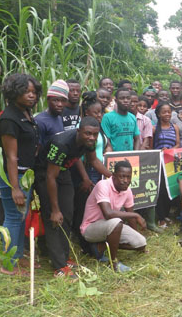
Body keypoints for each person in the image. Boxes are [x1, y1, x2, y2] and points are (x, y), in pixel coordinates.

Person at [35, 117, 112, 278]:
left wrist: (113, 177)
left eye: (95, 134)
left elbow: (93, 161)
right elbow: (50, 177)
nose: (91, 137)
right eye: (88, 133)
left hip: (63, 172)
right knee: (54, 218)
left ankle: (64, 257)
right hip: (46, 175)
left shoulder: (89, 143)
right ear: (79, 131)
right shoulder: (61, 143)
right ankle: (59, 267)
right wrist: (55, 209)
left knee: (68, 214)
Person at [0, 73, 42, 275]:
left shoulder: (26, 113)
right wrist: (15, 187)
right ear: (14, 93)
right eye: (26, 91)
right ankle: (9, 263)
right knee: (13, 217)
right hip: (12, 176)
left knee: (21, 217)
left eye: (34, 92)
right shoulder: (8, 119)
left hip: (24, 175)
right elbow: (11, 156)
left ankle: (18, 256)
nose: (31, 96)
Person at [80, 161, 147, 273]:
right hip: (90, 228)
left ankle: (102, 246)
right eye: (122, 176)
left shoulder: (127, 190)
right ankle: (113, 262)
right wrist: (136, 215)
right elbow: (108, 214)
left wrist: (136, 234)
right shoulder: (103, 185)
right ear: (114, 176)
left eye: (128, 177)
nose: (125, 180)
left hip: (111, 226)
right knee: (116, 221)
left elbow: (130, 217)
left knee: (141, 243)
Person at [71, 92, 112, 255]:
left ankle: (95, 240)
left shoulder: (97, 129)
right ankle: (84, 243)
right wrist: (86, 178)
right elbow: (77, 158)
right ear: (87, 113)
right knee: (84, 208)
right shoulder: (82, 130)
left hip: (97, 171)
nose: (100, 115)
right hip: (86, 173)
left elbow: (98, 153)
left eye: (101, 112)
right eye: (96, 112)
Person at [153, 102, 180, 228]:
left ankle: (167, 214)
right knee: (162, 190)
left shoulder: (175, 127)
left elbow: (178, 144)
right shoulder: (154, 128)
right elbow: (150, 146)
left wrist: (169, 151)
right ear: (158, 114)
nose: (167, 114)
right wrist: (160, 152)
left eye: (169, 111)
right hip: (158, 162)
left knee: (171, 188)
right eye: (164, 112)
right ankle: (161, 217)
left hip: (171, 163)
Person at [101, 88, 141, 152]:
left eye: (128, 98)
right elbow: (106, 140)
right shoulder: (107, 117)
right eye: (122, 98)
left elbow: (137, 139)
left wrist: (136, 154)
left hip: (130, 157)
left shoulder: (132, 117)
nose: (125, 100)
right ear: (116, 100)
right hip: (114, 157)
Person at [35, 80, 68, 149]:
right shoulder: (40, 121)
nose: (60, 104)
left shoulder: (59, 118)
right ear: (48, 99)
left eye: (63, 101)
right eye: (56, 100)